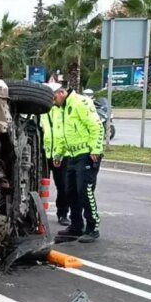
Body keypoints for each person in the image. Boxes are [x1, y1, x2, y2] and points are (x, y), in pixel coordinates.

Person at [52, 86, 104, 243]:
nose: (53, 103)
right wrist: (58, 153)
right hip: (72, 155)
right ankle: (76, 226)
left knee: (85, 191)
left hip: (87, 155)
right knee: (70, 191)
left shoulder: (80, 102)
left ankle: (92, 227)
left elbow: (96, 126)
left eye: (54, 99)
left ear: (61, 93)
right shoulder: (62, 108)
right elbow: (61, 134)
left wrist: (96, 148)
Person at [41, 83, 70, 226]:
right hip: (43, 154)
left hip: (60, 154)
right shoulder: (39, 110)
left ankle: (63, 213)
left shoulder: (64, 110)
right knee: (37, 185)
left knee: (63, 186)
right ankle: (36, 214)